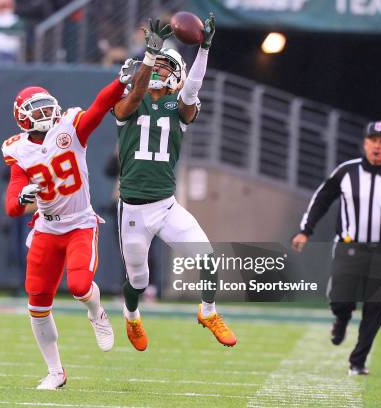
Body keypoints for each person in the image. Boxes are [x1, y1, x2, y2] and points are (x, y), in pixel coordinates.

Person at [1, 58, 140, 389]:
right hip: (47, 228)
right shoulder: (18, 150)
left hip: (79, 223)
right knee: (37, 302)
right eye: (36, 109)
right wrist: (22, 198)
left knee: (79, 286)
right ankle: (55, 372)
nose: (45, 113)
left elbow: (100, 105)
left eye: (47, 106)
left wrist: (121, 82)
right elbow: (11, 204)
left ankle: (97, 314)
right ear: (23, 117)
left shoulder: (71, 128)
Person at [112, 14, 237, 351]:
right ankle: (132, 316)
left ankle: (208, 312)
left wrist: (205, 48)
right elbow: (135, 95)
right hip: (134, 209)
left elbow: (193, 90)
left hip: (166, 205)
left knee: (208, 260)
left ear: (177, 76)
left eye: (165, 67)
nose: (157, 71)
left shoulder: (177, 108)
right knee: (138, 280)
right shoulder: (129, 104)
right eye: (155, 65)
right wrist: (149, 56)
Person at [292, 121, 381, 375]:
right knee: (340, 297)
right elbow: (322, 199)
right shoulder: (346, 172)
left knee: (376, 307)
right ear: (365, 143)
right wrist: (306, 230)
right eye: (373, 140)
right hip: (349, 248)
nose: (377, 146)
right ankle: (342, 318)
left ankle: (358, 360)